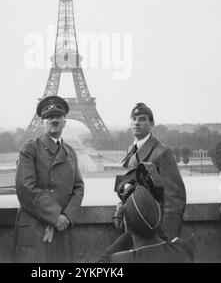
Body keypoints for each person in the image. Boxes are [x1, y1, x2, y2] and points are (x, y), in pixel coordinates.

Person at [99, 102, 186, 261]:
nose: (137, 122)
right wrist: (121, 208)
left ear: (152, 123)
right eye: (134, 119)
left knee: (107, 258)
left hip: (154, 235)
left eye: (142, 119)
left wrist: (169, 238)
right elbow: (131, 188)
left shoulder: (162, 153)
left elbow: (175, 199)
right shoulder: (132, 151)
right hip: (134, 229)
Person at [13, 95, 84, 263]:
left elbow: (78, 188)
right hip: (35, 228)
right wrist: (54, 217)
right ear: (42, 122)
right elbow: (25, 187)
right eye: (49, 117)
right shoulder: (29, 149)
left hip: (61, 227)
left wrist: (65, 217)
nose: (54, 120)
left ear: (65, 121)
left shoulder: (70, 152)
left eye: (58, 116)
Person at [111, 185, 193, 263]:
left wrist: (121, 212)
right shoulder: (183, 251)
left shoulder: (120, 260)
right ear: (158, 216)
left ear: (126, 224)